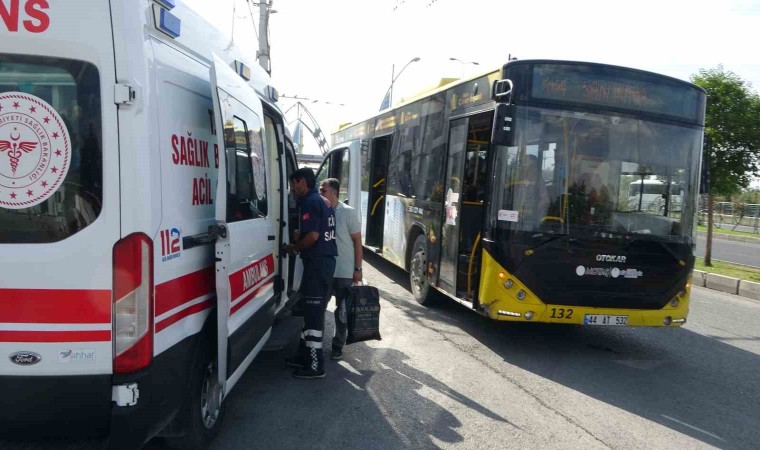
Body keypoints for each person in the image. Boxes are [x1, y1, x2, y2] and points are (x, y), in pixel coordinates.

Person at [283, 168, 337, 379]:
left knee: (314, 317)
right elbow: (317, 231)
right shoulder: (322, 200)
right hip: (321, 264)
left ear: (302, 182)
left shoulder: (310, 202)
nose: (292, 189)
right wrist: (301, 235)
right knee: (309, 313)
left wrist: (294, 247)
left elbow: (314, 236)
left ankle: (315, 366)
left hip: (318, 265)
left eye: (293, 184)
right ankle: (304, 356)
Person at [319, 178, 363, 360]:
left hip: (344, 270)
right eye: (320, 191)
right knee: (319, 307)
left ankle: (338, 345)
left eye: (324, 191)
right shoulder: (320, 210)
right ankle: (316, 344)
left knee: (342, 311)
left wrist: (358, 268)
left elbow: (357, 242)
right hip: (325, 269)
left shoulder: (348, 213)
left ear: (335, 193)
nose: (321, 194)